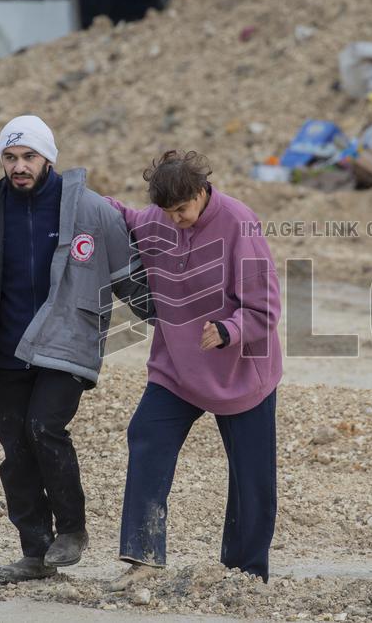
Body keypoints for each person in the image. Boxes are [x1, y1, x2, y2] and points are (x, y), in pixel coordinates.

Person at [0, 115, 153, 583]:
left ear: (49, 158)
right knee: (16, 450)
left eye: (28, 157)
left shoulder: (91, 211)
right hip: (4, 347)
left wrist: (168, 318)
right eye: (10, 158)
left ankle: (72, 531)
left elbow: (127, 276)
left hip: (67, 343)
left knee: (44, 427)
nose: (19, 166)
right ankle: (34, 552)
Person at [101, 150, 282, 589]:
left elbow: (267, 306)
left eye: (182, 209)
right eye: (168, 212)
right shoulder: (158, 220)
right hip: (176, 367)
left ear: (202, 192)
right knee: (146, 435)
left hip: (241, 370)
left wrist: (228, 329)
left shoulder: (241, 223)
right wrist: (87, 202)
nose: (176, 220)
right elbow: (122, 215)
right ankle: (143, 555)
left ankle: (245, 573)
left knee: (251, 477)